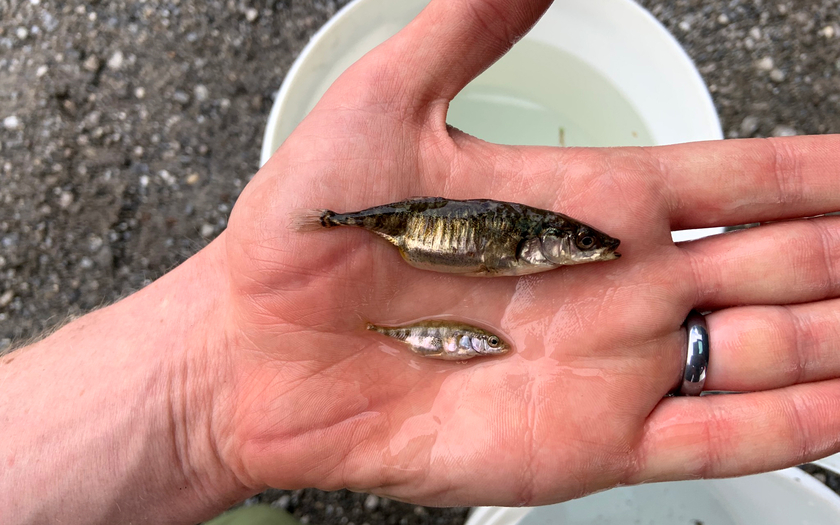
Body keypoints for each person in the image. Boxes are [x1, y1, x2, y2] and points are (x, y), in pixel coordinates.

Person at [2, 0, 840, 522]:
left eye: (577, 247)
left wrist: (206, 389)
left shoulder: (530, 248)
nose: (582, 254)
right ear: (547, 243)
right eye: (576, 244)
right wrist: (213, 375)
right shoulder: (506, 243)